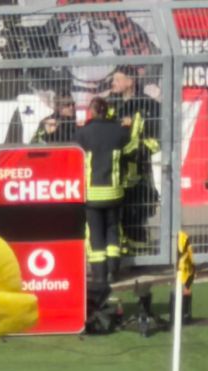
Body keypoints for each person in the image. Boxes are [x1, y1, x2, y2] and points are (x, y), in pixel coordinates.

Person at [75, 95, 131, 285]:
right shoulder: (119, 131)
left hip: (92, 194)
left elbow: (75, 157)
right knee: (113, 229)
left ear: (91, 112)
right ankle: (113, 272)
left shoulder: (83, 134)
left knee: (95, 234)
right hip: (114, 192)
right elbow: (130, 151)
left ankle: (99, 275)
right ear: (107, 111)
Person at [108, 66, 160, 256]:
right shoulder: (110, 106)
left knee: (137, 212)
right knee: (116, 212)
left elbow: (157, 138)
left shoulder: (148, 105)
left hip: (138, 169)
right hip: (114, 169)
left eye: (117, 79)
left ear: (130, 81)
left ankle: (139, 255)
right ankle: (121, 251)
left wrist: (139, 150)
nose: (113, 83)